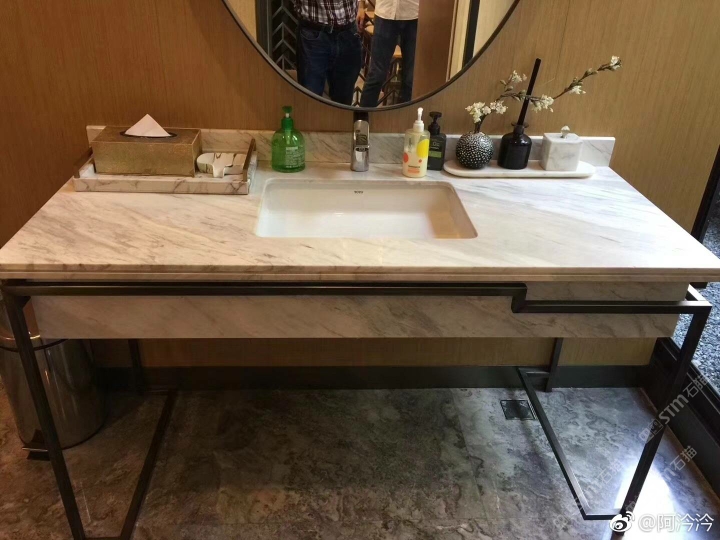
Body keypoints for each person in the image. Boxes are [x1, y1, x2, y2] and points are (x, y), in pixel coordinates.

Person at [294, 0, 365, 105]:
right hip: (314, 32)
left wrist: (361, 5)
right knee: (310, 100)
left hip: (348, 32)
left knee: (344, 102)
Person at [360, 0, 419, 107]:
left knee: (410, 79)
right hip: (385, 14)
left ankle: (404, 116)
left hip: (414, 15)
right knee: (376, 75)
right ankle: (363, 115)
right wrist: (360, 5)